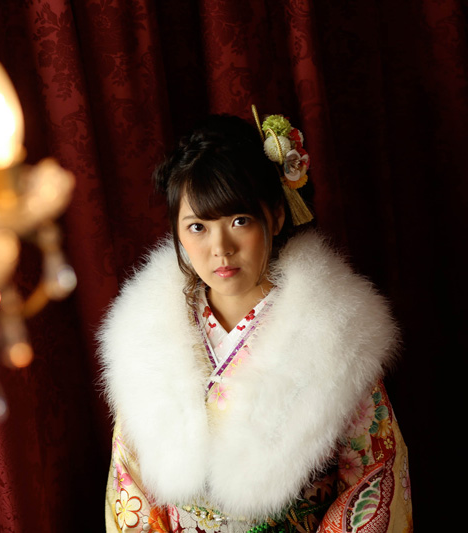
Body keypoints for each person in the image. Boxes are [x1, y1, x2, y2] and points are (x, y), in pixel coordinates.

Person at [99, 113, 412, 532]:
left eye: (239, 220)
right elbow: (129, 485)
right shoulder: (147, 338)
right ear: (177, 233)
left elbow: (373, 475)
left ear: (277, 216)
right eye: (197, 227)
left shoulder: (335, 336)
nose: (220, 248)